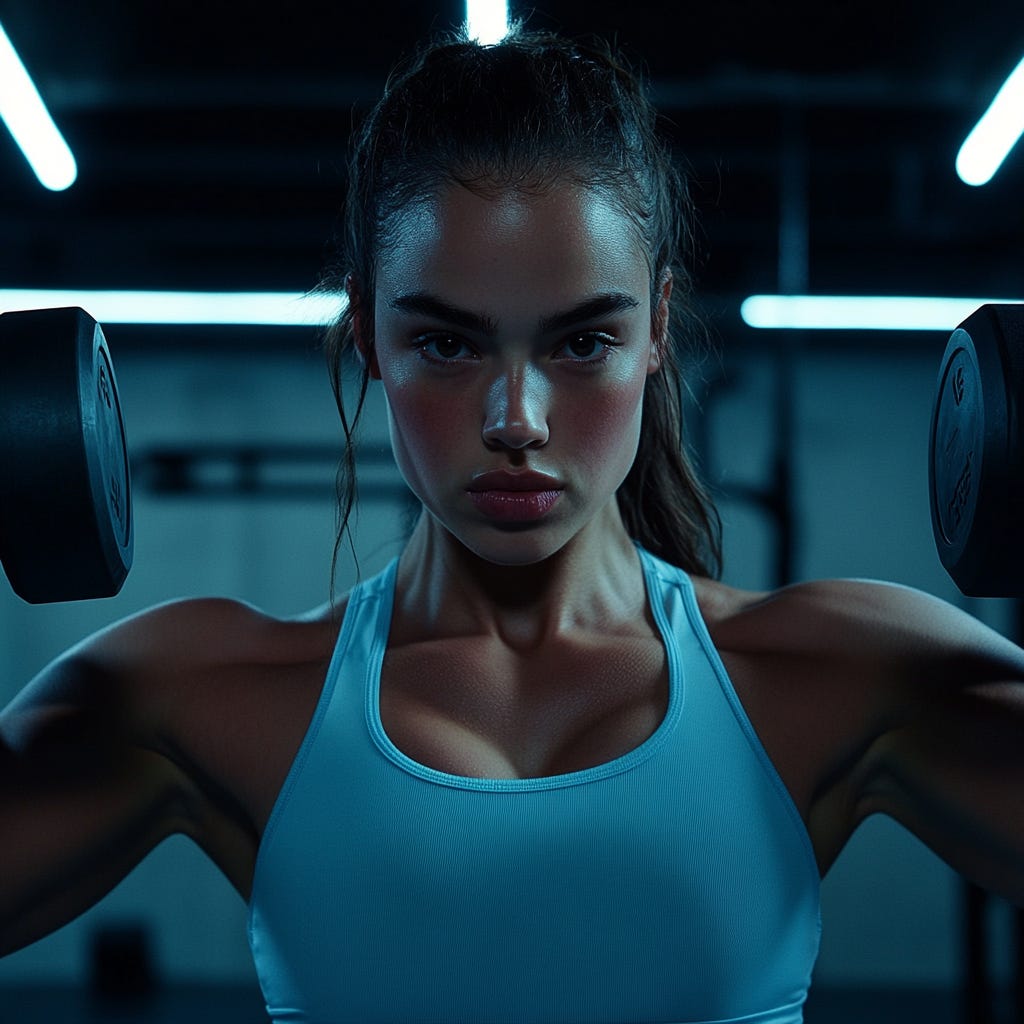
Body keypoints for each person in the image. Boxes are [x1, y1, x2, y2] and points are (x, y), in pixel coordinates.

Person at [2, 22, 1022, 1024]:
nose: (516, 420)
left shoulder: (840, 679)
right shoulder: (199, 700)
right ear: (367, 331)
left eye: (583, 341)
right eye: (447, 343)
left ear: (657, 328)